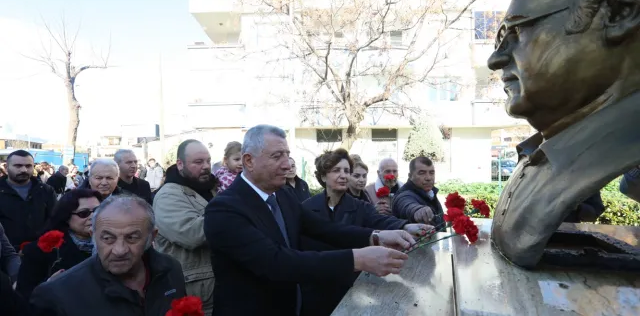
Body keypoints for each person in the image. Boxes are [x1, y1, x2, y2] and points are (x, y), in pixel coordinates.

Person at [489, 0, 640, 268]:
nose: (496, 58)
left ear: (622, 11)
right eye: (500, 37)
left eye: (516, 30)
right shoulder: (546, 153)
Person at [204, 124, 414, 316]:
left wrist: (376, 236)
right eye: (277, 156)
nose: (287, 165)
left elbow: (325, 229)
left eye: (287, 155)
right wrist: (358, 259)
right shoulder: (224, 209)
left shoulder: (283, 195)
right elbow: (276, 262)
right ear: (249, 161)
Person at [301, 149, 432, 316]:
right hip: (317, 289)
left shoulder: (360, 206)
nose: (343, 175)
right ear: (323, 176)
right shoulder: (306, 208)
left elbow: (381, 221)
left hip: (351, 286)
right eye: (336, 170)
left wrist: (406, 226)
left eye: (346, 171)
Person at [30, 194, 187, 316]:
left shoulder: (171, 270)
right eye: (107, 238)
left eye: (132, 238)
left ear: (152, 237)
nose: (119, 250)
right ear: (93, 236)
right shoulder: (58, 294)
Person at [154, 139, 218, 315]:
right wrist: (232, 218)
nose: (205, 166)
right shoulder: (168, 196)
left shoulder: (210, 188)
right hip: (195, 295)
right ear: (180, 164)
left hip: (216, 287)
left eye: (208, 161)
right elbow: (192, 234)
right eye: (198, 162)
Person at [17, 189, 102, 300]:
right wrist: (48, 285)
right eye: (83, 213)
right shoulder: (43, 249)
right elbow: (24, 294)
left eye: (98, 211)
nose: (92, 217)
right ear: (66, 217)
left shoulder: (116, 243)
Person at [0, 150, 57, 250]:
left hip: (40, 252)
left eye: (28, 166)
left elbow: (54, 220)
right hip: (6, 254)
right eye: (18, 166)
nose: (24, 170)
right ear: (6, 167)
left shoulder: (46, 191)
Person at [393, 157, 445, 230]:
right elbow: (406, 204)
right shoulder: (404, 195)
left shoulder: (430, 192)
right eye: (422, 173)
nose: (428, 178)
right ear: (410, 176)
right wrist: (418, 210)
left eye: (431, 173)